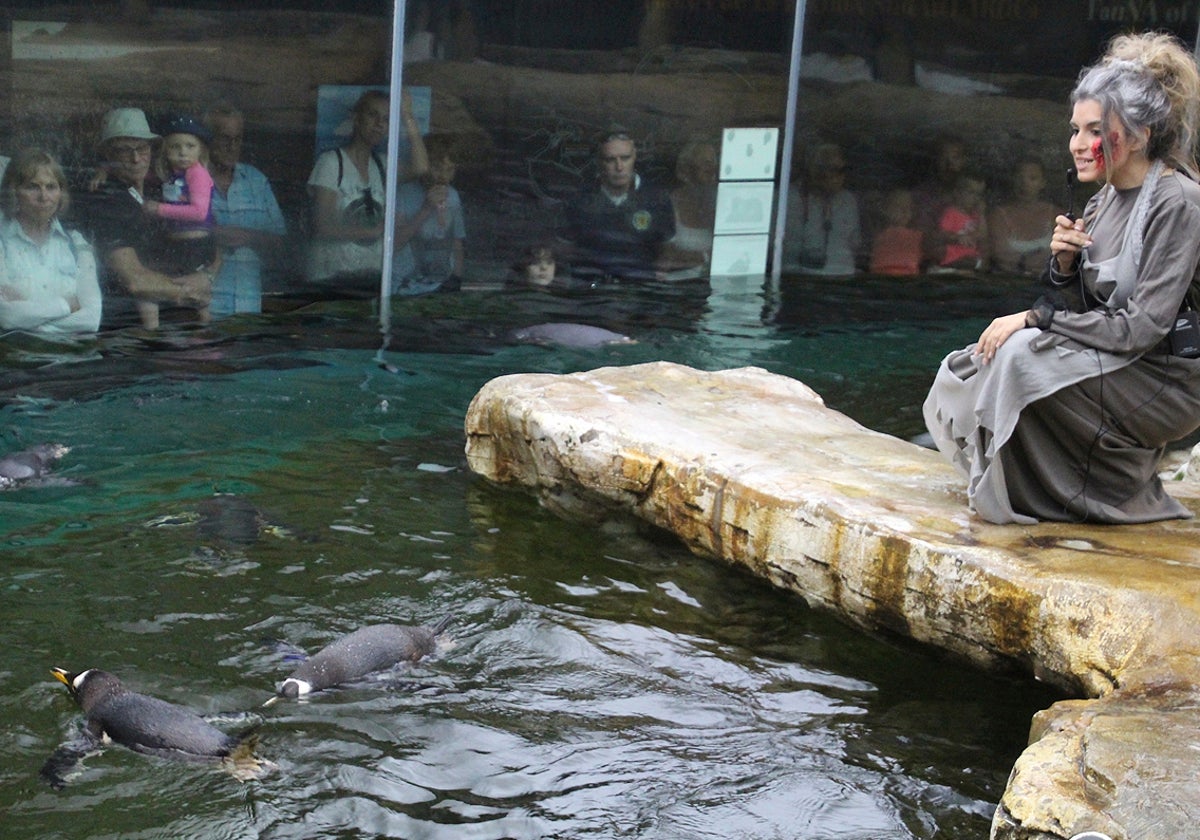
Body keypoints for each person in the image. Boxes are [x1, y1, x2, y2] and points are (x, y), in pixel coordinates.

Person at [923, 32, 1200, 525]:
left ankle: (1098, 493)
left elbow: (1140, 329)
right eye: (1075, 129)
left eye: (1094, 130)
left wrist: (1036, 318)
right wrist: (1065, 268)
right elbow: (1089, 313)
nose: (1078, 145)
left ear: (1137, 134)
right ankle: (1042, 491)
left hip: (1167, 380)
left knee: (1019, 359)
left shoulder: (1178, 203)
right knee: (977, 363)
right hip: (1121, 363)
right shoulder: (1102, 200)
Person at [74, 107, 212, 329]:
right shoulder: (107, 199)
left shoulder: (162, 188)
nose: (136, 158)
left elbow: (211, 240)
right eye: (124, 151)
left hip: (178, 324)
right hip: (128, 332)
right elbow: (134, 281)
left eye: (142, 148)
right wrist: (191, 292)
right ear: (109, 155)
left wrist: (208, 277)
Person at [306, 89, 428, 287]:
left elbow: (421, 167)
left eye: (387, 119)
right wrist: (373, 231)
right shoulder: (331, 162)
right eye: (372, 115)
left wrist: (407, 115)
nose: (379, 124)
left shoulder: (381, 165)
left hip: (370, 277)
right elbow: (322, 226)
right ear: (356, 118)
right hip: (331, 278)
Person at [0, 148, 101, 336]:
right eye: (32, 187)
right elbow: (6, 316)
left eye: (51, 187)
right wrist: (66, 305)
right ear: (14, 191)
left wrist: (28, 323)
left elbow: (92, 319)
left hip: (73, 360)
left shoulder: (76, 243)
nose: (44, 197)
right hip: (18, 361)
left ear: (61, 192)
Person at [561, 127, 675, 282]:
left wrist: (656, 280)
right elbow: (567, 250)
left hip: (641, 290)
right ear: (599, 162)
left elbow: (666, 249)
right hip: (592, 291)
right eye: (610, 159)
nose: (619, 167)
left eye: (625, 158)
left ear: (634, 157)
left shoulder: (657, 199)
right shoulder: (580, 200)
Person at [205, 104, 287, 317]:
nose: (232, 147)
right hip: (202, 310)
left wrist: (249, 237)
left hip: (249, 307)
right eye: (225, 138)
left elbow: (282, 246)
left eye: (238, 139)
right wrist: (211, 234)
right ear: (208, 138)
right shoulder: (188, 181)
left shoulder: (256, 181)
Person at [139, 114, 215, 325]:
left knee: (151, 287)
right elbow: (144, 175)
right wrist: (107, 168)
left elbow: (199, 212)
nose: (183, 152)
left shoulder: (196, 173)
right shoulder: (174, 174)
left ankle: (152, 332)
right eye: (175, 147)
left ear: (201, 150)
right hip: (177, 243)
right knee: (169, 289)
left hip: (194, 244)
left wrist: (159, 209)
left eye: (190, 146)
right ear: (165, 151)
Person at [392, 135, 465, 294]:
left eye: (449, 169)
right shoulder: (403, 194)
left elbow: (457, 243)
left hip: (441, 283)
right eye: (437, 168)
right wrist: (426, 209)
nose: (443, 177)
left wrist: (456, 279)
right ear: (425, 165)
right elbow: (394, 244)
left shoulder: (452, 196)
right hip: (405, 286)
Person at [783, 142, 861, 275]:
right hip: (800, 279)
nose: (831, 176)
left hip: (843, 280)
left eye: (839, 170)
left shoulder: (848, 201)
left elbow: (856, 244)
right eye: (824, 168)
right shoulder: (790, 198)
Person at [660, 138, 718, 279]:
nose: (711, 169)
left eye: (713, 163)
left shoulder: (722, 202)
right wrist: (705, 256)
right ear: (687, 167)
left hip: (716, 284)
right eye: (705, 163)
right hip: (676, 284)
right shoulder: (668, 203)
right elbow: (664, 255)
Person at [988, 158, 1057, 275]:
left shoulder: (1056, 215)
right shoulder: (998, 215)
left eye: (1032, 178)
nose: (1024, 184)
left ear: (1043, 183)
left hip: (1050, 286)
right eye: (1019, 177)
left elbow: (1066, 256)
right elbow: (1000, 256)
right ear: (1012, 180)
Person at [931, 171, 987, 271]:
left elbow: (982, 235)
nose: (976, 198)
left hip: (970, 262)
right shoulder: (951, 212)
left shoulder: (975, 215)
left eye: (979, 194)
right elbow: (941, 233)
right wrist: (957, 237)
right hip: (951, 262)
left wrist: (981, 214)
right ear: (957, 193)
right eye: (971, 192)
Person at [868, 188, 922, 276]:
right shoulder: (877, 237)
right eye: (899, 207)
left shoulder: (919, 237)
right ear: (886, 210)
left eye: (909, 208)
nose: (905, 211)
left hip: (910, 285)